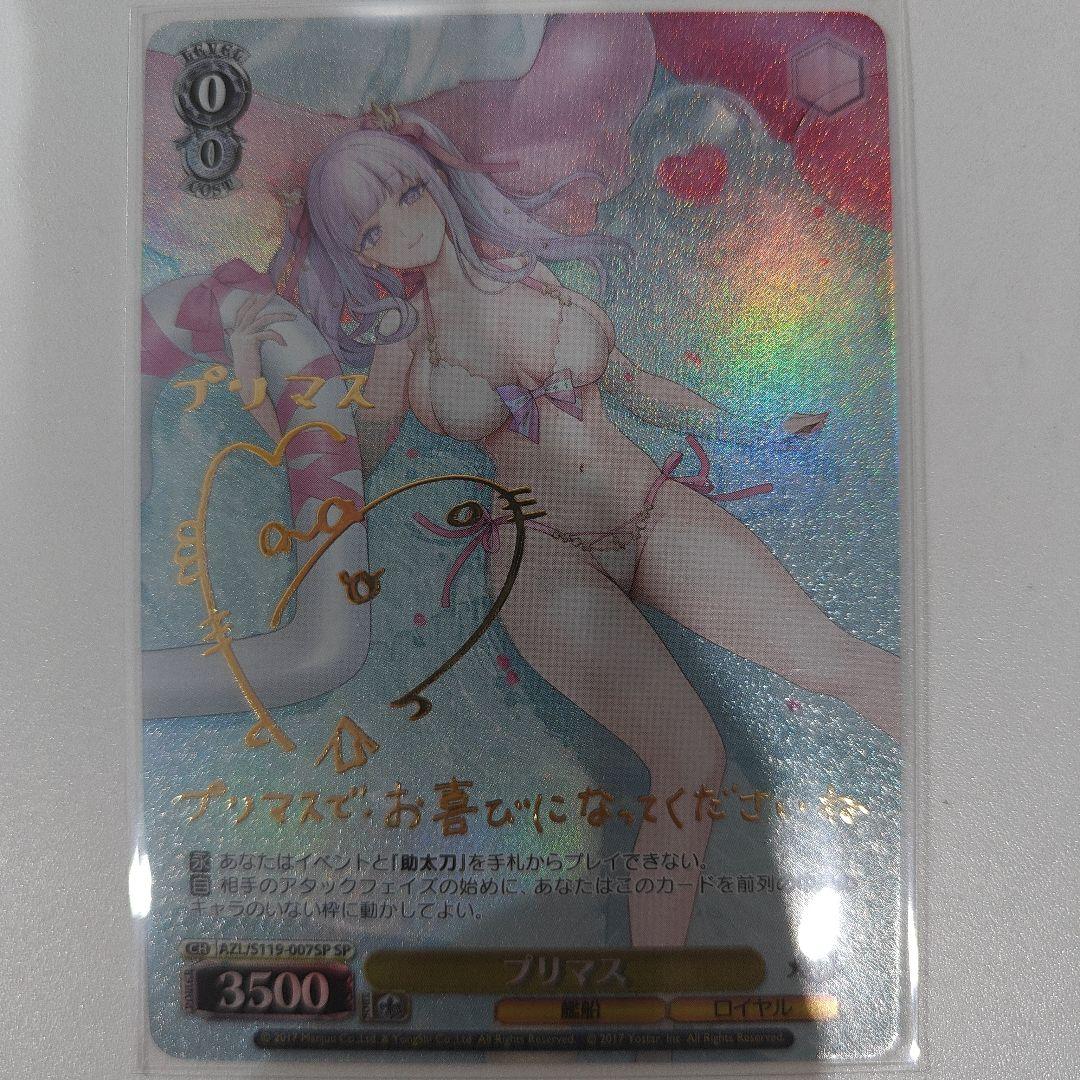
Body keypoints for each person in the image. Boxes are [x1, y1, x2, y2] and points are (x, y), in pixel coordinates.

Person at [260, 111, 900, 947]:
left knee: (835, 659)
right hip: (544, 561)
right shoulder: (402, 347)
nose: (403, 229)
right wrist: (319, 385)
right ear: (363, 257)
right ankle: (660, 998)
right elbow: (363, 456)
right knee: (689, 759)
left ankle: (980, 788)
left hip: (651, 506)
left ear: (439, 184)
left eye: (409, 193)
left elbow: (635, 386)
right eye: (371, 233)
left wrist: (756, 430)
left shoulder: (536, 276)